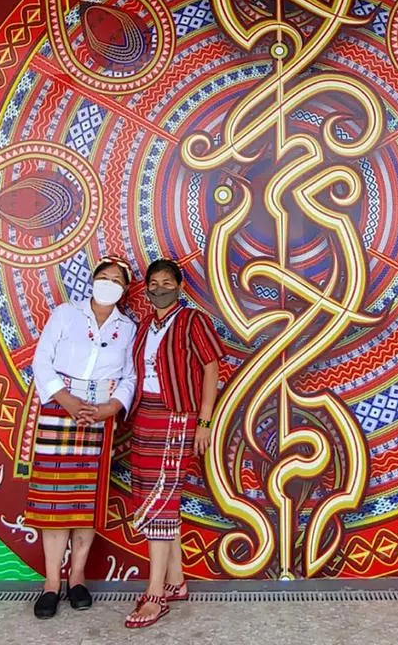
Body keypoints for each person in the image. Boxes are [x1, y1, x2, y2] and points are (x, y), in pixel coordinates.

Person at [18, 257, 137, 619]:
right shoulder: (65, 314)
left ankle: (78, 577)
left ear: (124, 289)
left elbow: (130, 376)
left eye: (117, 279)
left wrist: (111, 407)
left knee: (86, 500)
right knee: (54, 501)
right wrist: (66, 400)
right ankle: (51, 583)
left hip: (99, 417)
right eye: (104, 276)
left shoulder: (128, 328)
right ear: (93, 280)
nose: (109, 283)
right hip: (59, 410)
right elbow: (41, 361)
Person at [124, 258, 224, 628]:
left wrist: (205, 421)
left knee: (162, 500)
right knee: (155, 497)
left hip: (178, 416)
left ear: (180, 287)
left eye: (167, 282)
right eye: (153, 282)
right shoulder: (144, 326)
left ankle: (155, 593)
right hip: (145, 417)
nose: (159, 288)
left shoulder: (193, 321)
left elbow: (211, 367)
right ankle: (176, 581)